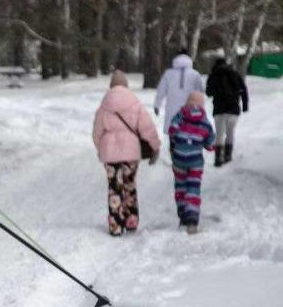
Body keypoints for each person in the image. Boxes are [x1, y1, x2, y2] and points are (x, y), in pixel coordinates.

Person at [92, 70, 162, 236]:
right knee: (129, 185)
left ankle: (116, 226)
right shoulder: (134, 102)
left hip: (110, 154)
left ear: (111, 85)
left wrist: (101, 148)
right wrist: (155, 146)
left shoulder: (104, 105)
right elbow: (147, 127)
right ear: (126, 85)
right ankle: (131, 221)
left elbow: (96, 132)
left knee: (114, 188)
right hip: (131, 153)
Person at [168, 91, 216, 234]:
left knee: (180, 187)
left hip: (179, 159)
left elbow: (172, 130)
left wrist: (177, 142)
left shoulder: (180, 115)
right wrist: (207, 144)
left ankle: (183, 214)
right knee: (193, 188)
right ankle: (192, 218)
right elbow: (210, 144)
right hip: (195, 161)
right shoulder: (204, 122)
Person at [205, 57, 249, 165]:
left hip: (219, 110)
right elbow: (243, 90)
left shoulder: (213, 75)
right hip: (234, 109)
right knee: (230, 133)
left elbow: (208, 92)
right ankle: (228, 155)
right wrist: (245, 106)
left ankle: (218, 158)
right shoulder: (235, 74)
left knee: (219, 134)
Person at [155, 49, 204, 134]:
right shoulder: (195, 74)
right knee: (188, 132)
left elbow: (161, 91)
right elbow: (200, 92)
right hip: (189, 109)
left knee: (172, 130)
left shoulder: (168, 73)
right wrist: (201, 107)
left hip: (172, 109)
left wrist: (157, 105)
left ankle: (172, 142)